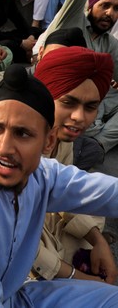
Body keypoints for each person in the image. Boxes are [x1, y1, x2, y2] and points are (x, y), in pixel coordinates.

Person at [0, 64, 118, 307]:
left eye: (22, 134)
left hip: (15, 296)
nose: (4, 147)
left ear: (48, 141)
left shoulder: (43, 175)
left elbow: (106, 193)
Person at [30, 47, 116, 284]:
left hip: (42, 224)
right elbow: (13, 243)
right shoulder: (11, 147)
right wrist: (80, 278)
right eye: (69, 102)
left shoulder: (62, 138)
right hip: (13, 248)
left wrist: (98, 241)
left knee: (94, 218)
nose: (80, 117)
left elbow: (65, 196)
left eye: (90, 107)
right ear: (44, 96)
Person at [41, 0, 118, 155]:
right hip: (57, 114)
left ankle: (97, 144)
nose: (110, 13)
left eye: (116, 9)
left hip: (90, 119)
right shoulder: (73, 20)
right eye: (105, 5)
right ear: (90, 4)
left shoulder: (110, 45)